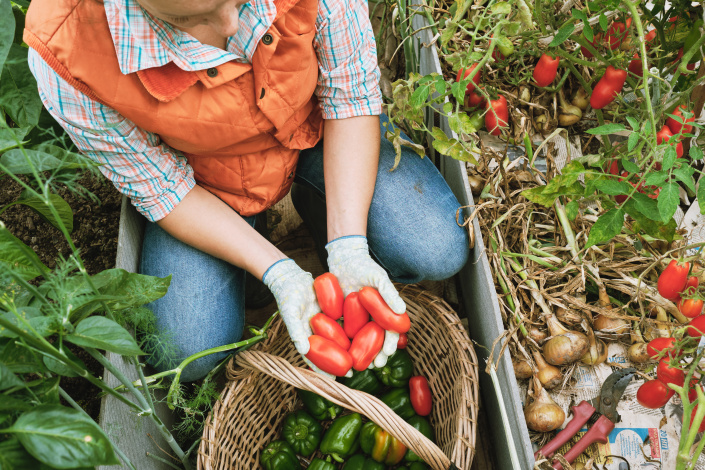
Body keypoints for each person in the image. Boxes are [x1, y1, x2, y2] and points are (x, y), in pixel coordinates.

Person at [25, 0, 469, 381]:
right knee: (185, 351)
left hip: (316, 131)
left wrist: (349, 245)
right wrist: (279, 271)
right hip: (209, 182)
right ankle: (253, 268)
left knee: (435, 248)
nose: (230, 27)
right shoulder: (69, 54)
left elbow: (351, 96)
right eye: (192, 18)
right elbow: (163, 189)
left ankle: (325, 215)